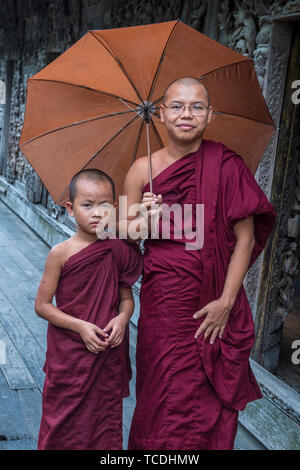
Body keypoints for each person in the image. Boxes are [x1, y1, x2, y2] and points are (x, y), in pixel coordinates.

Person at [123, 77, 277, 450]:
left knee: (207, 401)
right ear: (160, 114)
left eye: (196, 107)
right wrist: (143, 218)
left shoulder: (226, 164)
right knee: (160, 394)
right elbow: (126, 237)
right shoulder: (141, 171)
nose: (186, 114)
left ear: (210, 115)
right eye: (176, 106)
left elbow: (244, 237)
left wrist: (226, 301)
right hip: (165, 305)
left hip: (213, 301)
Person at [35, 169, 143, 450]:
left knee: (102, 422)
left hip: (106, 351)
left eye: (105, 205)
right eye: (87, 205)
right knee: (63, 420)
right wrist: (80, 326)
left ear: (115, 208)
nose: (97, 213)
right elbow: (42, 306)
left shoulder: (117, 250)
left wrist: (122, 319)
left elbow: (126, 299)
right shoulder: (61, 253)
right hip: (70, 353)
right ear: (70, 209)